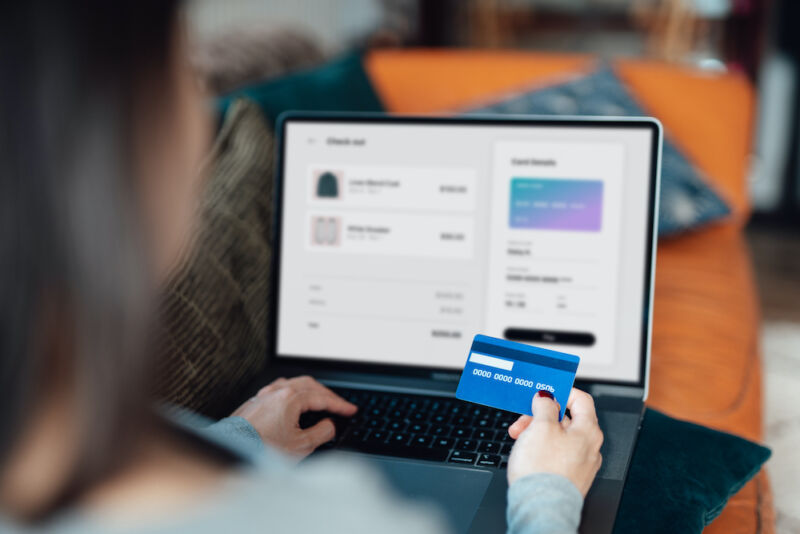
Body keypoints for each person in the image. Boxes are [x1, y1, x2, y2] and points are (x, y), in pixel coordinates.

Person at [0, 2, 603, 533]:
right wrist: (546, 495)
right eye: (185, 70)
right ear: (125, 140)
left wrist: (237, 439)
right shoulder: (338, 518)